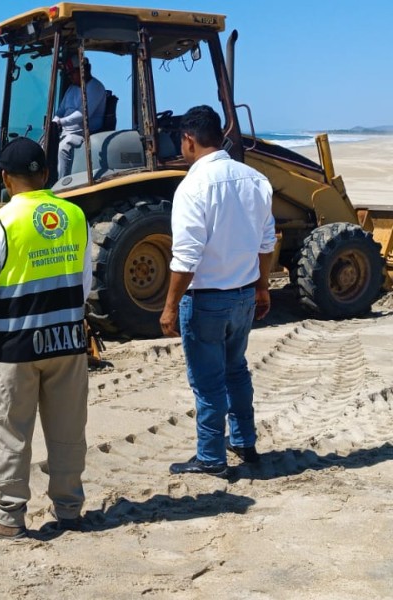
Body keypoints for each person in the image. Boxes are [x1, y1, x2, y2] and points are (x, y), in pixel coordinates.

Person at [0, 136, 93, 539]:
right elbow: (83, 283)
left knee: (12, 431)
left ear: (5, 179)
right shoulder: (74, 215)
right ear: (45, 174)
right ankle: (69, 510)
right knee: (68, 430)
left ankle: (9, 516)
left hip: (17, 346)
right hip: (67, 341)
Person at [160, 105, 275, 477]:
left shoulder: (192, 186)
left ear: (189, 140)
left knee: (208, 381)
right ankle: (244, 441)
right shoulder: (255, 179)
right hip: (243, 294)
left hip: (207, 298)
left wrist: (169, 307)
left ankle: (210, 455)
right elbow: (266, 242)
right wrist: (262, 288)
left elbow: (186, 257)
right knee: (237, 370)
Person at [52, 54, 107, 179]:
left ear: (84, 70)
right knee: (43, 145)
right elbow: (60, 110)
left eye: (72, 73)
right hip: (65, 131)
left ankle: (61, 185)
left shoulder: (96, 87)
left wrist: (61, 122)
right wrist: (54, 120)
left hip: (84, 133)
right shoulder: (71, 89)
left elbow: (83, 114)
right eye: (68, 74)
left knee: (63, 148)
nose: (70, 76)